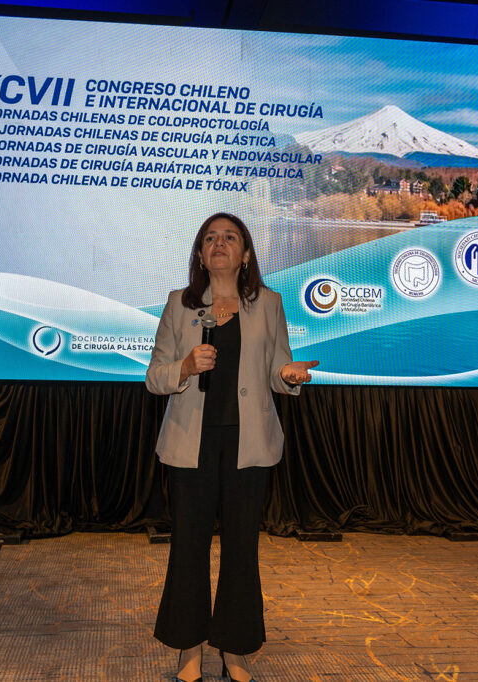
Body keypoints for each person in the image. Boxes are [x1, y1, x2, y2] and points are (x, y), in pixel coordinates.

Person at [146, 212, 318, 682]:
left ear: (245, 255)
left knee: (241, 548)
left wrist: (289, 375)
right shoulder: (179, 304)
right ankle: (188, 646)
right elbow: (154, 377)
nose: (219, 244)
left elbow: (278, 368)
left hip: (249, 443)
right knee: (189, 547)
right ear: (201, 255)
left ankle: (235, 648)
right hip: (191, 443)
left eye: (230, 237)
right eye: (210, 239)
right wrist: (184, 366)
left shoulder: (269, 303)